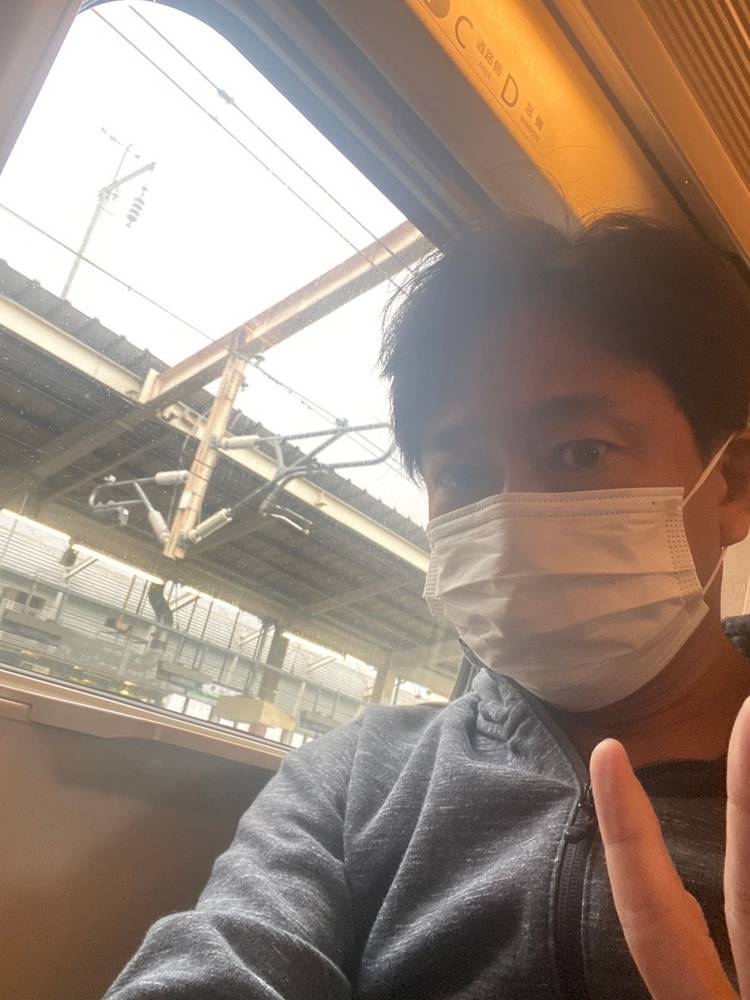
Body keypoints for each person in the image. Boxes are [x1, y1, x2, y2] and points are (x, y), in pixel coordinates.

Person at [105, 213, 750, 999]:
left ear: (732, 484)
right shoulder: (359, 779)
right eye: (463, 475)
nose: (512, 518)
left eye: (581, 453)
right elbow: (223, 962)